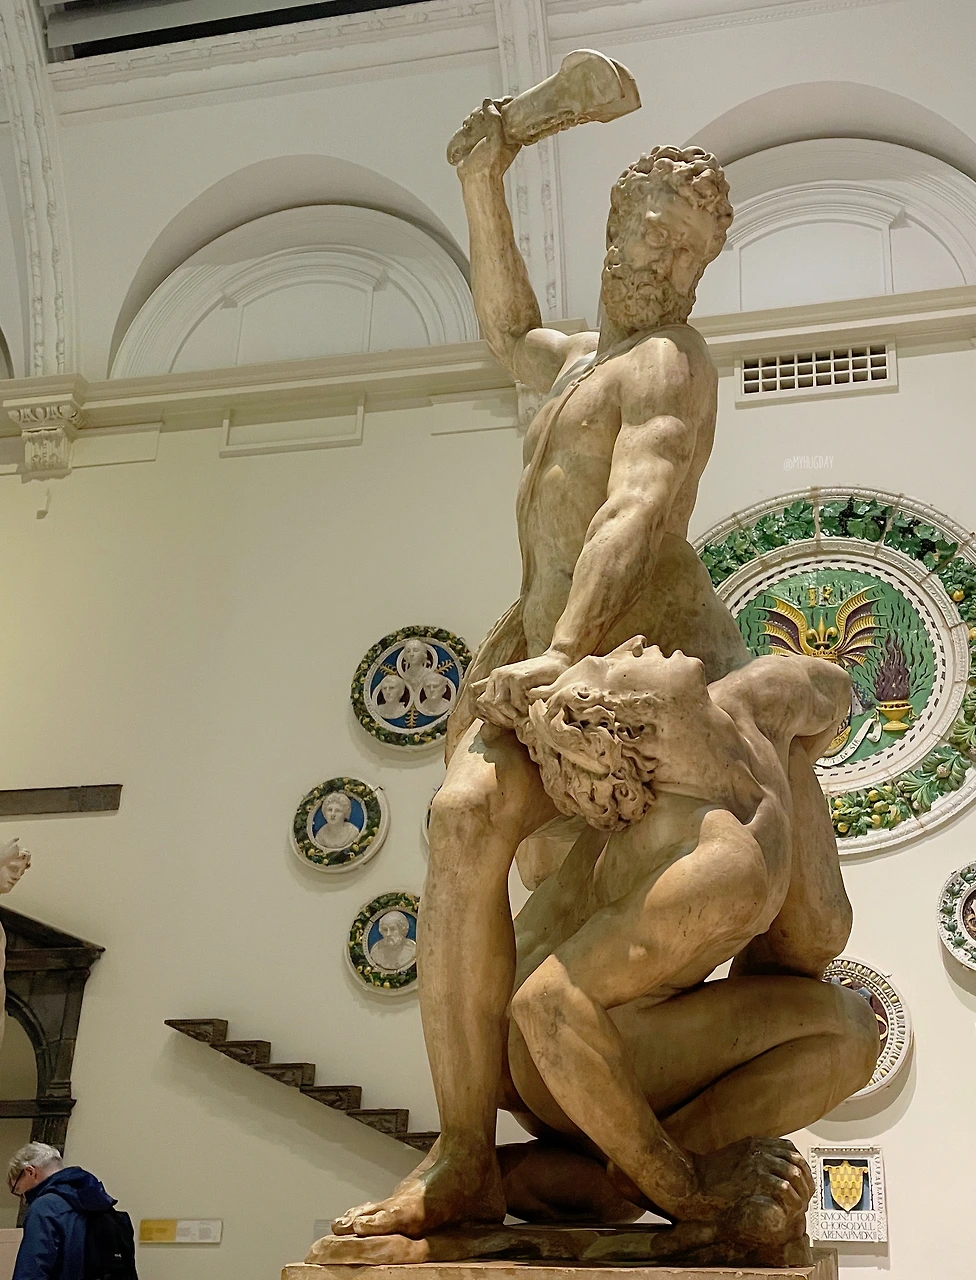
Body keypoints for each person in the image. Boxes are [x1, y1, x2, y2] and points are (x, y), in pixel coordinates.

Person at [332, 101, 759, 1242]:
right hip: (542, 649)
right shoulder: (577, 361)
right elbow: (506, 324)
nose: (656, 264)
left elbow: (636, 507)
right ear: (612, 230)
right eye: (644, 234)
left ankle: (640, 1119)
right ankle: (463, 1156)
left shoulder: (669, 363)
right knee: (460, 818)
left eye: (681, 251)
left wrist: (567, 648)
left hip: (629, 661)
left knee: (665, 886)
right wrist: (484, 179)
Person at [325, 641, 875, 1257]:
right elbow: (547, 1007)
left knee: (823, 945)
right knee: (848, 1032)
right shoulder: (714, 860)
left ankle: (606, 1173)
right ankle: (656, 1167)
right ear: (636, 734)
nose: (635, 644)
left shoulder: (752, 701)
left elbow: (834, 693)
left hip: (592, 1030)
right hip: (549, 1058)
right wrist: (688, 1188)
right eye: (609, 667)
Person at [8, 1143, 135, 1280]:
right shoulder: (100, 1203)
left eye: (18, 1190)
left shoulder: (45, 1208)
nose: (24, 1199)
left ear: (30, 1172)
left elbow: (31, 1272)